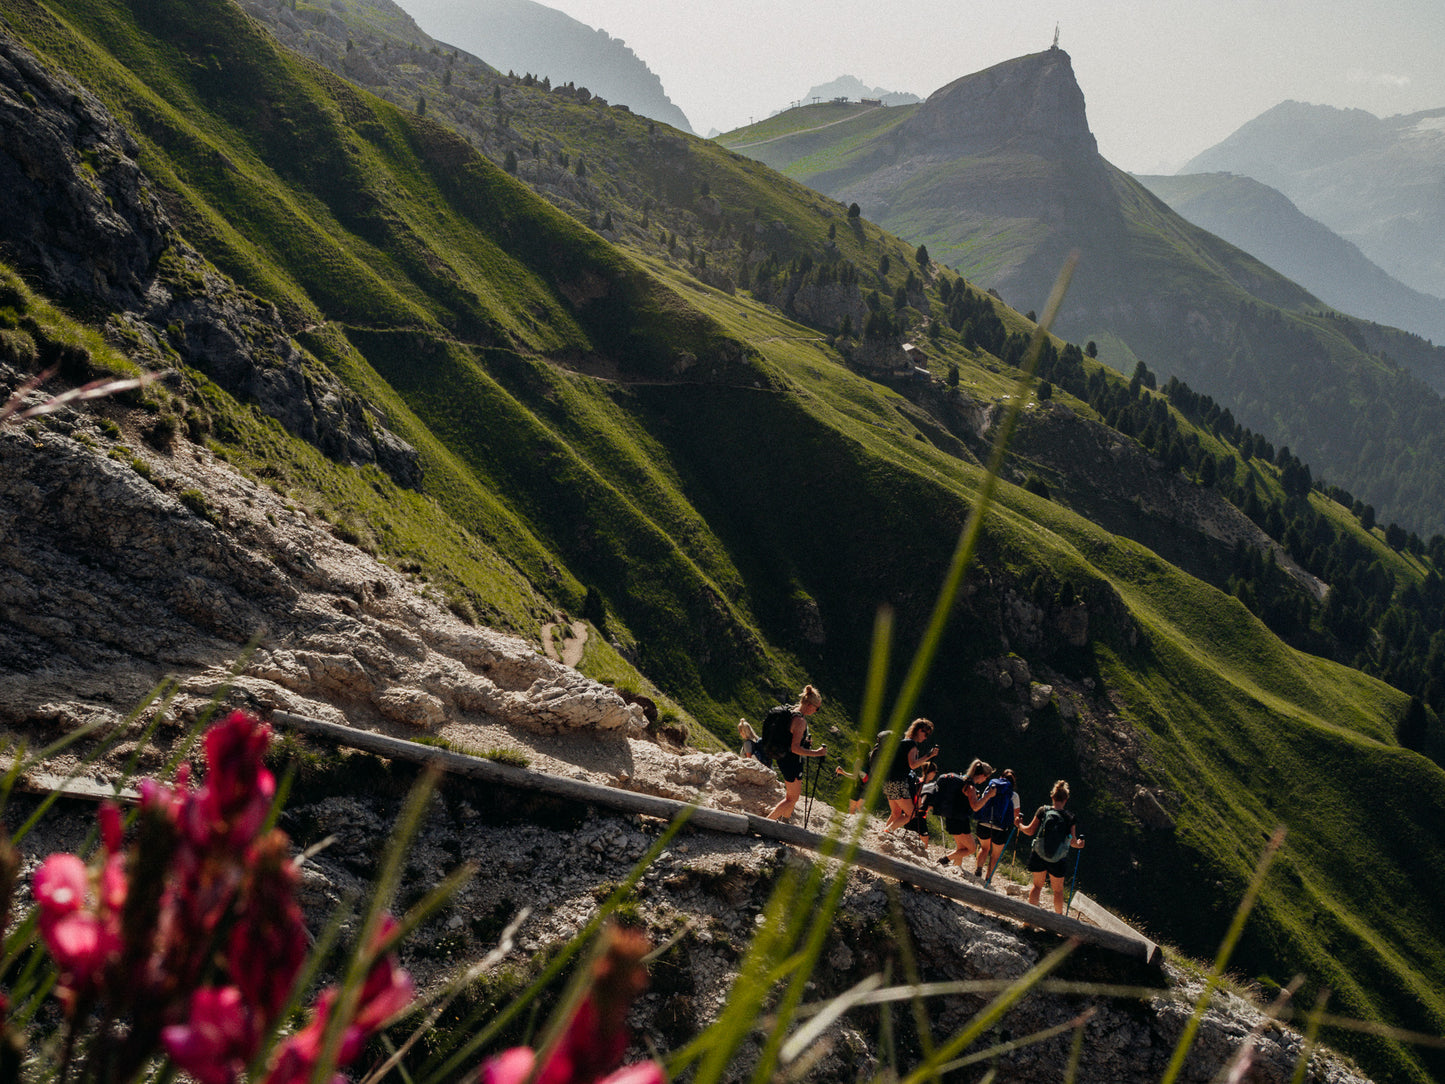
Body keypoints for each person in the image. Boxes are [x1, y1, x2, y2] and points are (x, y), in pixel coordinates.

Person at [1019, 779, 1084, 913]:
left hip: (1039, 854)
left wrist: (1019, 824)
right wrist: (1080, 844)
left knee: (1037, 886)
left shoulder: (1043, 810)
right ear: (1066, 799)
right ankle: (1058, 922)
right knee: (1058, 891)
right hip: (1058, 859)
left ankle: (1029, 919)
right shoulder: (1070, 817)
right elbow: (1073, 842)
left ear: (1052, 797)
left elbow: (1030, 831)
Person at [764, 685, 826, 821]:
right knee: (791, 799)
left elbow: (789, 738)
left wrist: (804, 743)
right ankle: (765, 822)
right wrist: (817, 753)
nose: (816, 711)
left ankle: (785, 821)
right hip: (791, 761)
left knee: (792, 797)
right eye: (817, 708)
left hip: (784, 758)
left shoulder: (792, 712)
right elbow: (795, 748)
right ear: (810, 705)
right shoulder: (800, 721)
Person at [882, 718, 939, 832]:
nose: (926, 737)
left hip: (888, 780)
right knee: (911, 814)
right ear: (918, 730)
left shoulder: (904, 742)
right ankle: (887, 831)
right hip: (898, 782)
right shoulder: (911, 744)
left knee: (896, 813)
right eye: (925, 733)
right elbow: (913, 765)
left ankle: (883, 833)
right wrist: (929, 755)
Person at [933, 759, 991, 868]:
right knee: (971, 849)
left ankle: (956, 867)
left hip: (951, 817)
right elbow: (975, 807)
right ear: (983, 775)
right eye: (986, 777)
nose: (985, 780)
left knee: (961, 849)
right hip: (960, 821)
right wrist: (988, 796)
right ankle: (944, 860)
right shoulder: (970, 786)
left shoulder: (963, 779)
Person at [973, 767, 1020, 878]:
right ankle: (988, 878)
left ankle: (978, 869)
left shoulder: (990, 787)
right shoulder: (1014, 795)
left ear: (1000, 777)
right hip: (1000, 828)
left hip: (983, 823)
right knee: (995, 855)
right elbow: (1016, 815)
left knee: (984, 848)